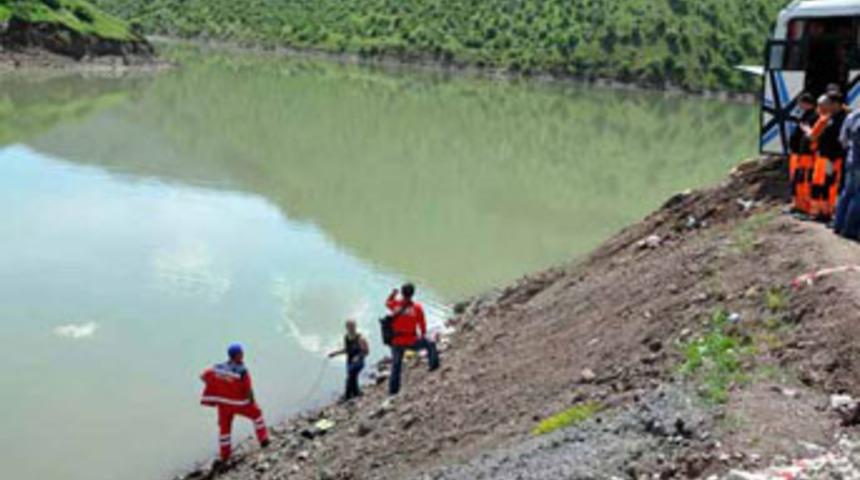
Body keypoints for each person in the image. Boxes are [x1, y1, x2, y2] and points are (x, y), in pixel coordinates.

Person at [200, 344, 270, 464]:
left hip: (224, 405)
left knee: (224, 429)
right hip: (240, 404)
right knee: (257, 415)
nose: (243, 354)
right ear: (238, 355)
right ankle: (263, 439)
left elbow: (203, 376)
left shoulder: (217, 368)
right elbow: (248, 390)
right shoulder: (242, 371)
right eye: (241, 352)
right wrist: (252, 402)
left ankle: (225, 455)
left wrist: (218, 387)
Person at [385, 283, 440, 395]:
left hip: (396, 342)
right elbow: (423, 326)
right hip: (411, 341)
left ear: (402, 292)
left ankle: (393, 391)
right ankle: (433, 366)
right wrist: (423, 335)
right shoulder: (417, 308)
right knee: (431, 344)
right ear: (413, 294)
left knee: (396, 365)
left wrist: (392, 294)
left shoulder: (395, 305)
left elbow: (387, 303)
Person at [809, 93, 847, 220]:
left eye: (828, 104)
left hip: (834, 158)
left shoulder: (843, 119)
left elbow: (841, 140)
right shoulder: (831, 117)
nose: (826, 107)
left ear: (836, 104)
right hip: (826, 156)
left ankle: (831, 213)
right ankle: (823, 212)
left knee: (832, 185)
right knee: (823, 185)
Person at [788, 93, 818, 216]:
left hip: (806, 153)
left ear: (806, 103)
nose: (799, 106)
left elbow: (812, 135)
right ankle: (798, 205)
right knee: (797, 180)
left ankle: (805, 207)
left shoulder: (814, 116)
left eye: (800, 103)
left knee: (804, 180)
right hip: (799, 153)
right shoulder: (805, 115)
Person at [328, 319, 369, 401]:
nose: (351, 328)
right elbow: (346, 350)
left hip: (359, 362)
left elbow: (366, 352)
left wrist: (358, 357)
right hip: (349, 361)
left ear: (355, 326)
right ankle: (356, 394)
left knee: (350, 378)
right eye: (349, 326)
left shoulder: (360, 338)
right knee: (353, 378)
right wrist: (335, 353)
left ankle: (347, 396)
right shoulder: (346, 337)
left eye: (352, 326)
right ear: (346, 327)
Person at [837, 105, 860, 240]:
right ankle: (850, 229)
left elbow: (842, 140)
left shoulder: (852, 116)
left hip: (851, 159)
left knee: (847, 193)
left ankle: (839, 225)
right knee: (858, 196)